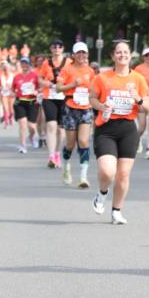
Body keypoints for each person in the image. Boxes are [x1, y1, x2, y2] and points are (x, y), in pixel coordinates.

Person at [89, 40, 149, 224]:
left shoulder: (138, 79)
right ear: (113, 56)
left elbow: (146, 107)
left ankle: (116, 211)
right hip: (106, 128)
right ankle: (102, 192)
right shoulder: (102, 78)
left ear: (130, 55)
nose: (122, 55)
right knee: (107, 172)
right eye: (119, 52)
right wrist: (101, 105)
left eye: (126, 52)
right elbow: (92, 99)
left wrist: (137, 98)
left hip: (128, 129)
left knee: (123, 175)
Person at [56, 41, 95, 188]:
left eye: (83, 52)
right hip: (70, 107)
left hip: (85, 108)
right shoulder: (67, 69)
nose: (81, 55)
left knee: (84, 141)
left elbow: (95, 89)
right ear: (73, 55)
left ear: (87, 54)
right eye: (78, 52)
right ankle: (66, 166)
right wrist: (73, 85)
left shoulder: (90, 71)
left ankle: (83, 177)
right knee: (70, 144)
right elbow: (58, 88)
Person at [38, 39, 69, 168]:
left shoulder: (69, 62)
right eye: (54, 47)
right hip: (49, 97)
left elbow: (72, 77)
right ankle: (51, 156)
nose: (57, 49)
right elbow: (40, 79)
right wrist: (49, 84)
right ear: (51, 49)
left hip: (64, 97)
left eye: (59, 46)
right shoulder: (46, 63)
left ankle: (57, 153)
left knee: (61, 130)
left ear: (62, 49)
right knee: (51, 125)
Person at [12, 56, 40, 153]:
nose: (24, 65)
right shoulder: (16, 77)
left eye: (26, 63)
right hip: (20, 103)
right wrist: (14, 93)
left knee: (32, 126)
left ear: (29, 65)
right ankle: (22, 145)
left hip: (32, 102)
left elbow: (40, 88)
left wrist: (37, 92)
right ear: (20, 65)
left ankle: (31, 137)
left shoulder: (34, 76)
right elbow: (12, 90)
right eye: (22, 63)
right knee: (22, 124)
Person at [0, 60, 16, 127]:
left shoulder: (13, 76)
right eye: (5, 68)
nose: (6, 70)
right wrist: (0, 88)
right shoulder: (1, 76)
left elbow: (16, 86)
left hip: (11, 94)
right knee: (5, 108)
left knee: (11, 109)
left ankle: (11, 118)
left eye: (7, 68)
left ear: (10, 69)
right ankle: (6, 122)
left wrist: (11, 88)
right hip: (4, 94)